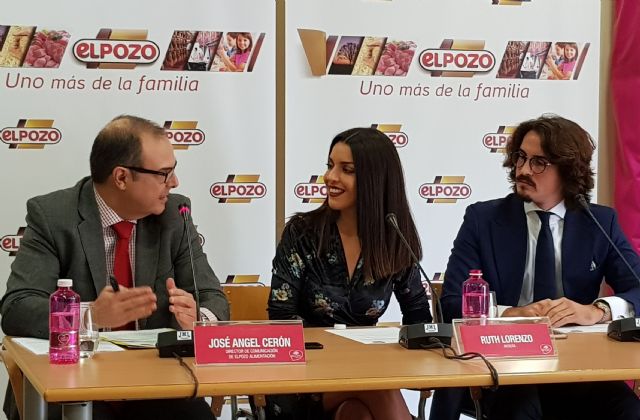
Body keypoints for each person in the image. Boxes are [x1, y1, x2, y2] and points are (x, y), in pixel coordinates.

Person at [0, 115, 229, 420]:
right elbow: (17, 308)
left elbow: (214, 298)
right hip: (73, 382)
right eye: (164, 174)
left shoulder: (175, 214)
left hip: (155, 384)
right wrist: (90, 315)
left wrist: (198, 318)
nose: (174, 183)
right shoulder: (53, 216)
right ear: (121, 177)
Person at [430, 115, 640, 420]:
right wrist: (511, 314)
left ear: (568, 170)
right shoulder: (483, 220)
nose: (523, 170)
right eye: (521, 157)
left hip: (578, 367)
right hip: (506, 369)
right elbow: (451, 302)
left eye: (539, 162)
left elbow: (637, 289)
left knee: (630, 411)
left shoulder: (599, 222)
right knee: (521, 409)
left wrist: (597, 311)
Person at [268, 127, 432, 420]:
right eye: (330, 165)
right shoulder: (303, 233)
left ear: (375, 180)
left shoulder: (394, 236)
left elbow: (418, 314)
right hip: (303, 378)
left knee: (355, 414)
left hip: (363, 373)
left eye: (347, 170)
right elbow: (281, 317)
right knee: (378, 387)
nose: (330, 177)